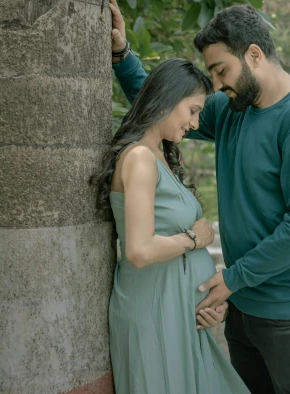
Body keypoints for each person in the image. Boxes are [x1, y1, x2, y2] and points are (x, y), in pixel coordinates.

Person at [108, 0, 290, 394]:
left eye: (221, 71)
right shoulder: (233, 109)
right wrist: (122, 54)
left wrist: (234, 278)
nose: (216, 85)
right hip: (245, 305)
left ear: (254, 55)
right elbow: (162, 107)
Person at [91, 58, 250, 393]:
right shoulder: (140, 159)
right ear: (165, 98)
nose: (194, 123)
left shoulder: (160, 156)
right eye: (192, 111)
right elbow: (138, 250)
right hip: (154, 314)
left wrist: (209, 307)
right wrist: (194, 239)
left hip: (178, 315)